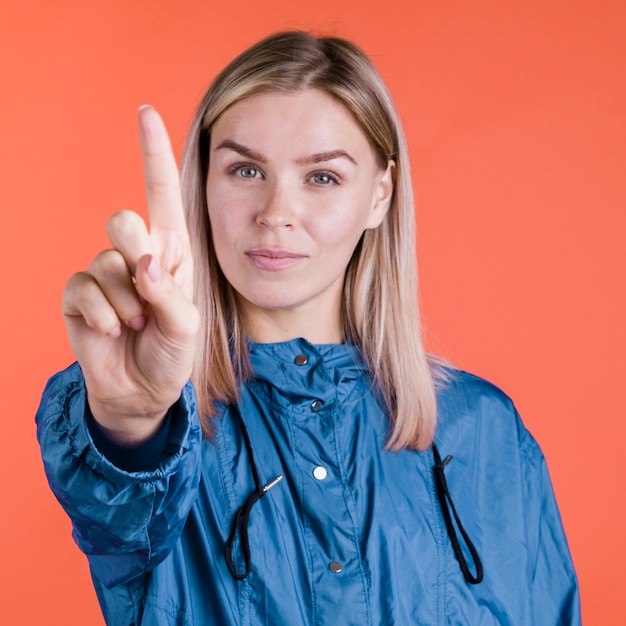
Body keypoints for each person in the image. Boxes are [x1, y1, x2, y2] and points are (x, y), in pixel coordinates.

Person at [36, 31, 580, 625]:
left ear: (379, 196)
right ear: (204, 186)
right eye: (245, 170)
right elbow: (116, 504)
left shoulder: (487, 433)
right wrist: (131, 422)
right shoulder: (171, 439)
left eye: (322, 177)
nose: (276, 213)